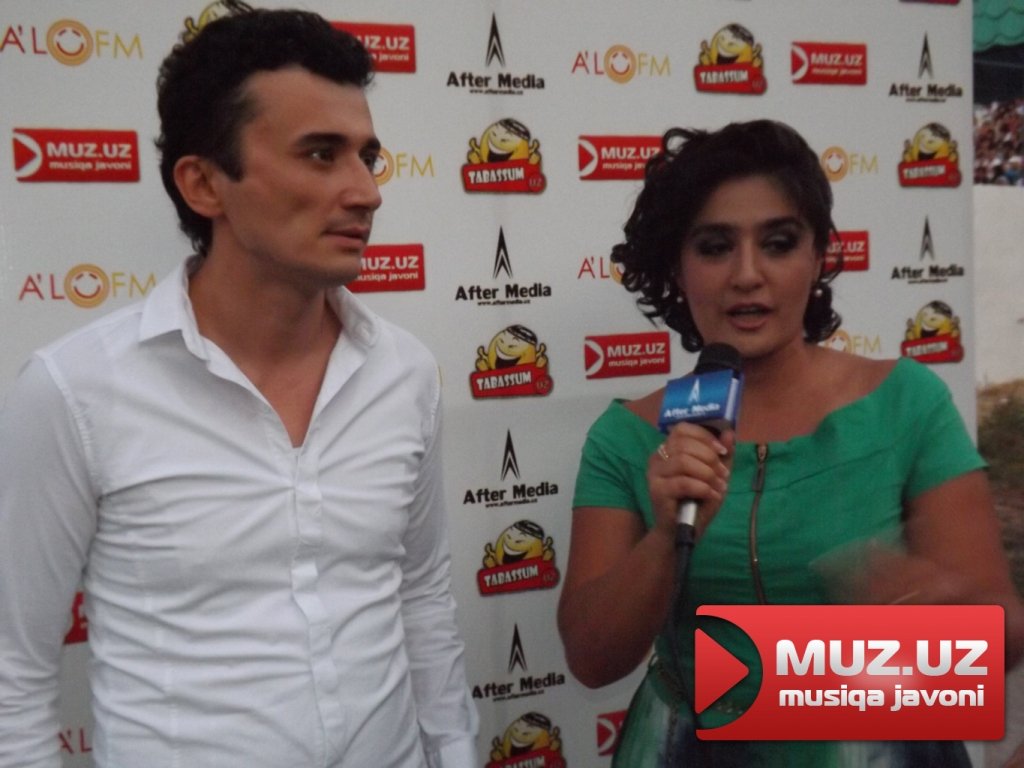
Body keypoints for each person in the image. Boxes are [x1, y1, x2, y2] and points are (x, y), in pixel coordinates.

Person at [0, 5, 477, 767]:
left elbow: (421, 598)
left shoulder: (405, 372)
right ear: (204, 184)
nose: (366, 192)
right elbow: (13, 673)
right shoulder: (75, 390)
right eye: (320, 155)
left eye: (367, 156)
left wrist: (453, 752)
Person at [557, 119, 1024, 767]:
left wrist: (940, 618)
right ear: (677, 266)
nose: (748, 275)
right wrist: (665, 537)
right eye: (715, 247)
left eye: (778, 243)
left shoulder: (907, 403)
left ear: (818, 256)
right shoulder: (625, 437)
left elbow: (1003, 635)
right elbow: (591, 658)